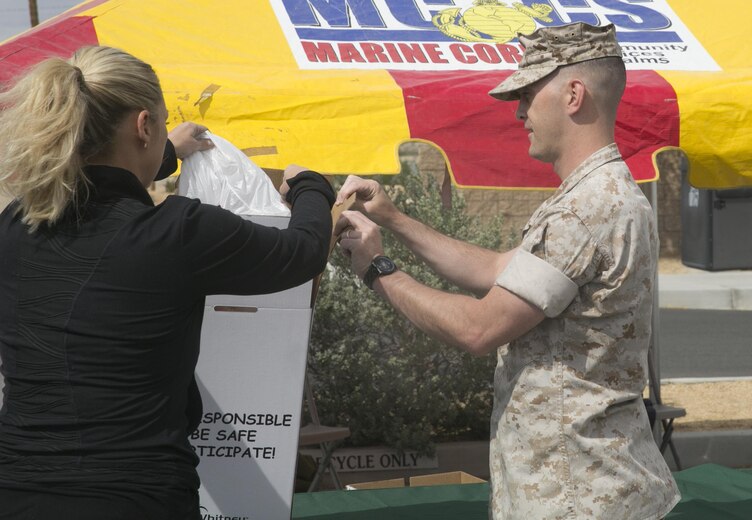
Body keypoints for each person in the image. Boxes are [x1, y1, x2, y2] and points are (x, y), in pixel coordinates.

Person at [335, 23, 679, 520]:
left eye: (528, 93)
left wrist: (377, 269)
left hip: (575, 495)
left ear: (574, 95)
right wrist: (393, 219)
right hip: (590, 484)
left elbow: (480, 328)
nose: (519, 112)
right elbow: (502, 270)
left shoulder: (584, 211)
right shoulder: (605, 196)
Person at [0, 46, 334, 519]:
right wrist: (311, 187)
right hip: (137, 497)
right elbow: (302, 253)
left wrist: (168, 152)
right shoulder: (177, 233)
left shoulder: (16, 226)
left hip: (15, 493)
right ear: (143, 126)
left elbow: (98, 184)